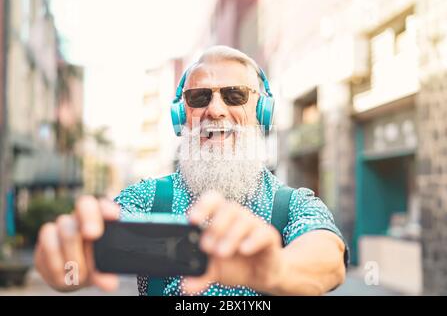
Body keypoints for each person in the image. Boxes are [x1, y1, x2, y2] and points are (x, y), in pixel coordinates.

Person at [34, 45, 349, 296]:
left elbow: (329, 259)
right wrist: (65, 261)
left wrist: (276, 269)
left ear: (262, 112)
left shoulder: (294, 204)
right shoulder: (146, 199)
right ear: (180, 117)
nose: (214, 109)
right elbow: (75, 261)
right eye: (199, 97)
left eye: (234, 95)